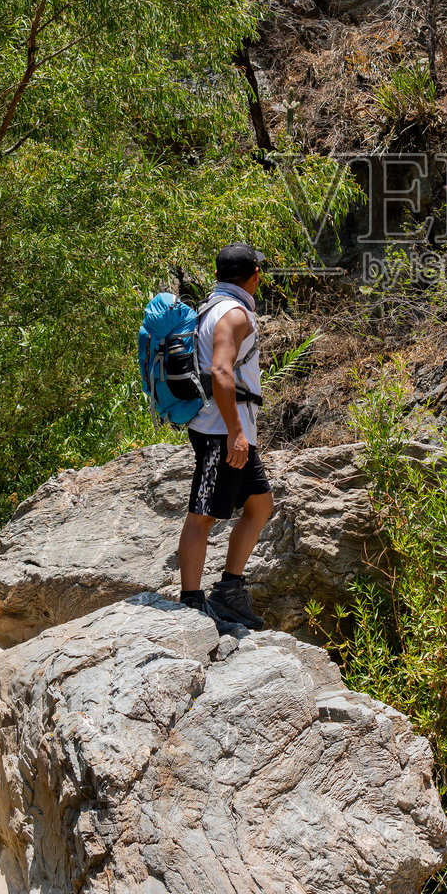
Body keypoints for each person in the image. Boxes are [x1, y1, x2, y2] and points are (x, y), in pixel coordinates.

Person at [178, 242, 273, 633]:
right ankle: (191, 604)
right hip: (221, 431)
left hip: (231, 429)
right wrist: (235, 432)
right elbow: (220, 371)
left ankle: (229, 591)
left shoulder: (211, 307)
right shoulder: (233, 314)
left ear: (219, 275)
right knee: (202, 516)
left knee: (260, 504)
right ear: (253, 275)